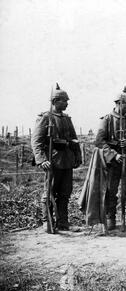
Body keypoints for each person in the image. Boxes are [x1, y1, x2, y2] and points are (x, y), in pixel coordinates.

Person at [31, 83, 82, 232]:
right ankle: (48, 222)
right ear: (55, 101)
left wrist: (77, 156)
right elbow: (36, 141)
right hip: (52, 161)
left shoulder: (66, 118)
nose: (67, 103)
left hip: (66, 161)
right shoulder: (45, 117)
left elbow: (74, 139)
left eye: (67, 101)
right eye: (64, 101)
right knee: (49, 192)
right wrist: (41, 160)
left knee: (65, 193)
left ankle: (63, 223)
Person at [95, 87, 126, 231]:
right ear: (118, 103)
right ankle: (110, 219)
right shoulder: (107, 120)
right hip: (112, 163)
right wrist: (113, 154)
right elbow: (99, 141)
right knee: (111, 191)